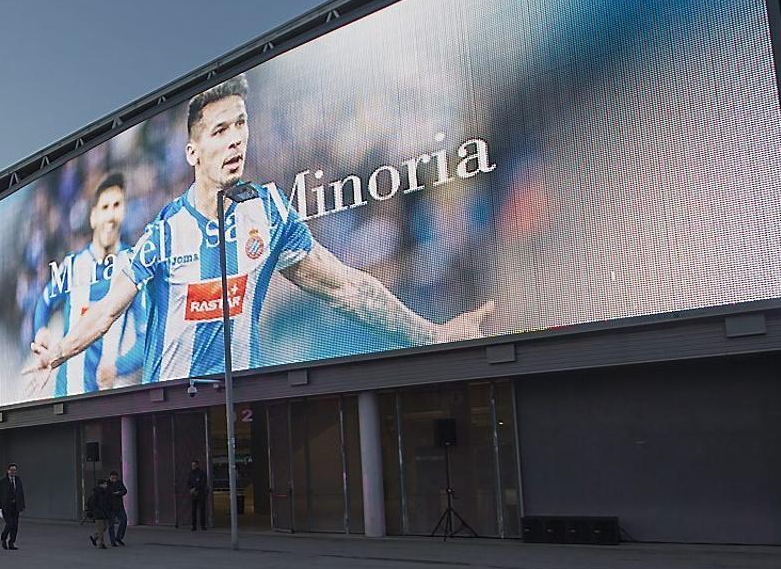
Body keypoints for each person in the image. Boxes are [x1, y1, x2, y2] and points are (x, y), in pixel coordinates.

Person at [26, 74, 493, 384]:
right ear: (192, 153)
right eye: (219, 131)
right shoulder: (165, 231)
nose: (235, 140)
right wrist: (59, 352)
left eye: (241, 125)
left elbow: (349, 289)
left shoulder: (268, 211)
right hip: (167, 410)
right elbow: (106, 311)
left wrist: (430, 336)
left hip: (242, 406)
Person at [25, 173, 150, 399]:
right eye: (104, 207)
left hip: (105, 402)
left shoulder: (133, 268)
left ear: (124, 212)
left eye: (117, 205)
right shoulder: (73, 266)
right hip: (65, 400)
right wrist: (40, 329)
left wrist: (117, 367)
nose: (111, 215)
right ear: (93, 217)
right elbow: (44, 301)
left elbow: (146, 337)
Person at [0, 464, 25, 550]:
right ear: (8, 471)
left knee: (15, 525)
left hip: (15, 506)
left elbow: (20, 493)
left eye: (14, 470)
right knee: (9, 523)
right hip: (6, 506)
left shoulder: (18, 480)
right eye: (11, 470)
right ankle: (3, 538)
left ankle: (12, 542)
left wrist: (22, 505)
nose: (13, 472)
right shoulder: (2, 481)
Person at [105, 471, 129, 546]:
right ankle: (112, 541)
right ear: (110, 477)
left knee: (124, 520)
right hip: (110, 507)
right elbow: (104, 494)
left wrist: (119, 493)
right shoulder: (106, 484)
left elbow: (125, 491)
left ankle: (119, 537)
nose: (114, 479)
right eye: (112, 478)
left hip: (119, 506)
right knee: (111, 524)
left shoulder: (119, 482)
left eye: (115, 478)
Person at [87, 478, 110, 547]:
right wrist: (97, 511)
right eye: (105, 484)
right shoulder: (97, 493)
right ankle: (101, 543)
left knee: (105, 527)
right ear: (101, 485)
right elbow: (94, 504)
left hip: (104, 512)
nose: (106, 485)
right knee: (101, 528)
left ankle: (95, 537)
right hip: (98, 513)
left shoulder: (105, 492)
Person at [187, 461, 209, 531]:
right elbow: (188, 482)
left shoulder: (202, 473)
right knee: (193, 511)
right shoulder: (191, 474)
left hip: (201, 494)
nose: (193, 466)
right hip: (194, 495)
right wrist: (191, 489)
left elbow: (203, 482)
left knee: (202, 510)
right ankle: (194, 526)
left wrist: (195, 488)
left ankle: (203, 525)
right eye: (192, 465)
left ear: (197, 465)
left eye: (194, 465)